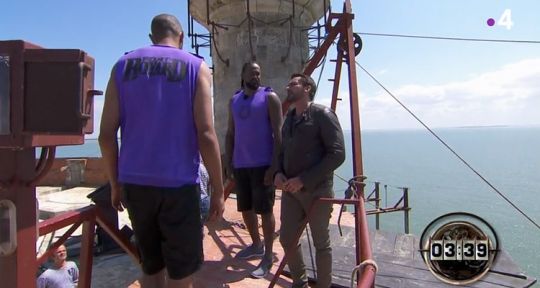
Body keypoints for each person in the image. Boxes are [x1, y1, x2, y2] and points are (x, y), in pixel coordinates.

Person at [98, 14, 224, 288]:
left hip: (136, 184)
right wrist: (219, 188)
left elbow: (106, 135)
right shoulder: (196, 67)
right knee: (181, 275)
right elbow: (205, 133)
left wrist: (115, 184)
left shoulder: (122, 65)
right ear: (181, 38)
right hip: (179, 187)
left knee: (151, 268)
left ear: (151, 38)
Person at [274, 73, 345, 288]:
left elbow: (337, 154)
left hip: (317, 191)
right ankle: (300, 282)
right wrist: (278, 172)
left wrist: (303, 179)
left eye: (293, 82)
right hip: (290, 191)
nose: (288, 85)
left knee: (321, 244)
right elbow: (281, 150)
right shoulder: (290, 119)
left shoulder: (323, 114)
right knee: (287, 239)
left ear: (307, 88)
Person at [225, 62, 283, 278]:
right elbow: (230, 133)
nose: (256, 76)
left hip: (263, 165)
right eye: (252, 72)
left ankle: (267, 256)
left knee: (265, 211)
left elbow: (278, 135)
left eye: (259, 73)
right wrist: (228, 162)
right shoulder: (234, 100)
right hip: (241, 165)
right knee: (246, 209)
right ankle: (256, 244)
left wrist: (274, 166)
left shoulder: (270, 98)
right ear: (243, 74)